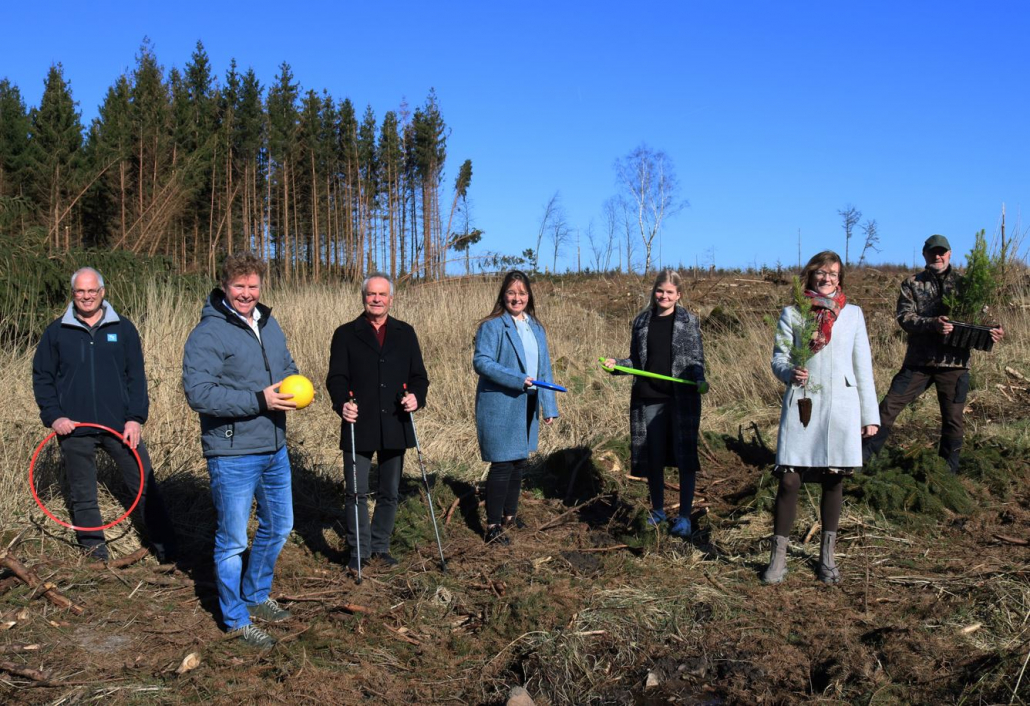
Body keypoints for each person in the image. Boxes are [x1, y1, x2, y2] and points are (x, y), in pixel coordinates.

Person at [182, 252, 299, 649]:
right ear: (224, 286)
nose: (247, 293)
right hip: (232, 452)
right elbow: (199, 394)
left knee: (280, 526)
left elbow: (285, 365)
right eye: (239, 286)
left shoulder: (269, 322)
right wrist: (258, 400)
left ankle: (255, 592)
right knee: (233, 540)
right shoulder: (208, 333)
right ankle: (235, 618)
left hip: (274, 446)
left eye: (253, 286)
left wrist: (295, 385)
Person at [32, 267, 177, 564]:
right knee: (83, 494)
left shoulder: (123, 329)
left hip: (121, 427)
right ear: (73, 294)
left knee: (146, 485)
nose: (86, 296)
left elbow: (136, 377)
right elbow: (42, 378)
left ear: (102, 292)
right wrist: (55, 416)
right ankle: (96, 556)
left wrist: (135, 418)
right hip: (74, 428)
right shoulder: (56, 331)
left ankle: (170, 552)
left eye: (92, 291)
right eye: (80, 291)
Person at [764, 251, 879, 585]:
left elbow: (863, 368)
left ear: (840, 278)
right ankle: (778, 559)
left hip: (842, 405)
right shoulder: (793, 313)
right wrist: (789, 372)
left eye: (833, 273)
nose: (826, 278)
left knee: (834, 479)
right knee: (789, 479)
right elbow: (778, 359)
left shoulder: (853, 315)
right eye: (820, 272)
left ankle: (827, 558)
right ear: (810, 275)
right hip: (803, 402)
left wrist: (869, 414)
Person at [862, 234, 1005, 473]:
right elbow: (904, 318)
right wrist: (932, 324)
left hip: (955, 363)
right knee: (887, 409)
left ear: (949, 254)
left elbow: (981, 317)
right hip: (919, 362)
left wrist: (995, 330)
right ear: (924, 254)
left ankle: (947, 473)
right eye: (932, 252)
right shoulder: (913, 283)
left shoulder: (965, 284)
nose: (937, 256)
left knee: (953, 420)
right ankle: (861, 461)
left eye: (942, 252)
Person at [326, 272, 429, 572]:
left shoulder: (405, 333)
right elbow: (336, 377)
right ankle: (359, 551)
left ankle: (380, 547)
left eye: (382, 295)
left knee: (389, 491)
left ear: (391, 299)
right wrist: (341, 403)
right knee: (355, 491)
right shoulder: (345, 333)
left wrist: (416, 399)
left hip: (396, 422)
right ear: (363, 297)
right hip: (359, 422)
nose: (376, 299)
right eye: (371, 294)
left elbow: (419, 377)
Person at [602, 269, 706, 538]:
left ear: (678, 295)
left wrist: (699, 380)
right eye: (660, 291)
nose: (664, 295)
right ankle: (658, 510)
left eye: (670, 292)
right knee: (654, 458)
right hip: (649, 398)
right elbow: (635, 362)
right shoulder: (641, 322)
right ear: (654, 292)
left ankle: (684, 517)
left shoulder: (689, 322)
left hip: (681, 400)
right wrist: (617, 366)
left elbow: (696, 359)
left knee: (685, 459)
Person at [473, 271, 559, 545]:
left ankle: (511, 515)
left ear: (529, 296)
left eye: (522, 293)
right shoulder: (493, 326)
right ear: (503, 295)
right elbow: (482, 363)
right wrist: (516, 379)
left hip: (529, 402)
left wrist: (549, 405)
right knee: (502, 462)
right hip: (501, 403)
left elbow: (544, 367)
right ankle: (493, 525)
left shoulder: (536, 326)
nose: (517, 298)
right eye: (512, 293)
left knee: (519, 461)